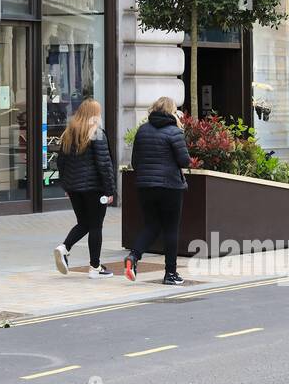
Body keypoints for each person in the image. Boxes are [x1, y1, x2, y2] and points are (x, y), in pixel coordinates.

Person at [124, 95, 191, 287]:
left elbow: (135, 162)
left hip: (145, 186)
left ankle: (134, 256)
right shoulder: (174, 131)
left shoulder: (142, 130)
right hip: (170, 186)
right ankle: (170, 273)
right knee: (171, 230)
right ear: (172, 111)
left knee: (151, 226)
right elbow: (184, 161)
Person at [52, 99, 116, 279]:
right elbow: (104, 164)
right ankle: (95, 267)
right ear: (94, 115)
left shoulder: (69, 133)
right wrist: (110, 190)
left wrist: (66, 185)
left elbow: (61, 162)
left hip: (74, 188)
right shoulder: (96, 133)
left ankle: (64, 248)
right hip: (95, 189)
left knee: (84, 223)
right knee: (95, 226)